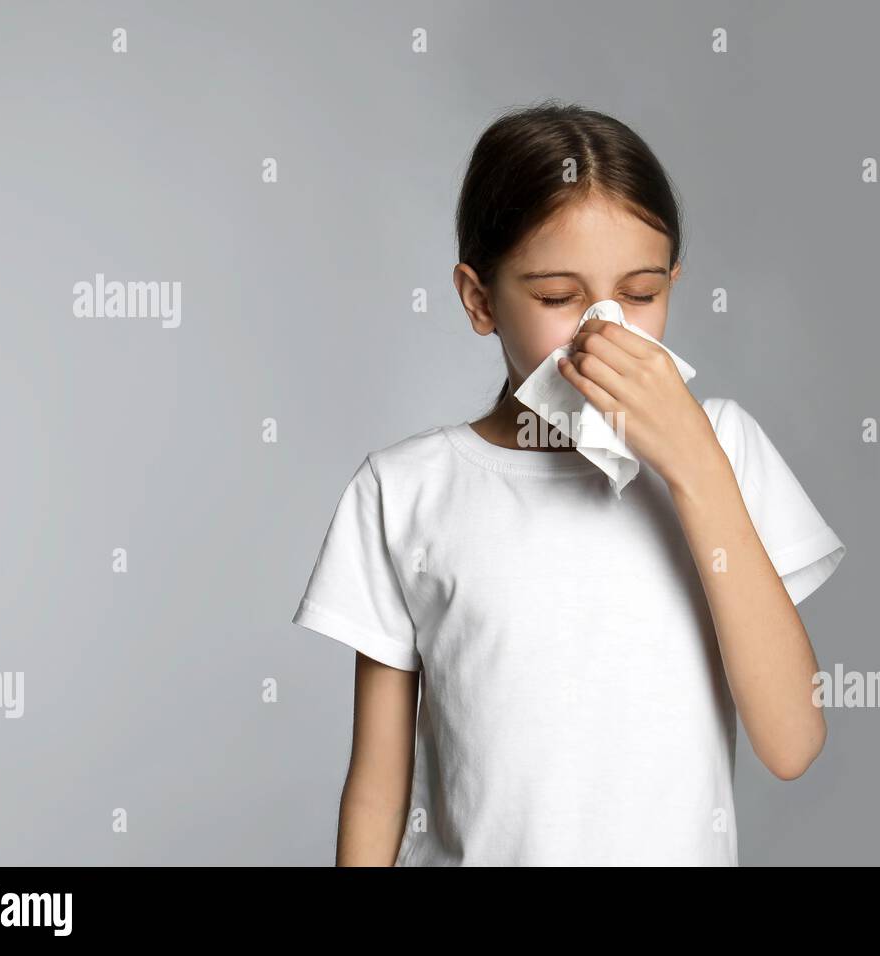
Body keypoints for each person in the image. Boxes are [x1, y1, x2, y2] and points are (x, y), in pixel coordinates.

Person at [291, 99, 846, 866]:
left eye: (642, 293)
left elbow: (792, 741)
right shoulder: (406, 489)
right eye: (559, 297)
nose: (605, 328)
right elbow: (380, 786)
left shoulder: (727, 453)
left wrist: (693, 465)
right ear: (481, 300)